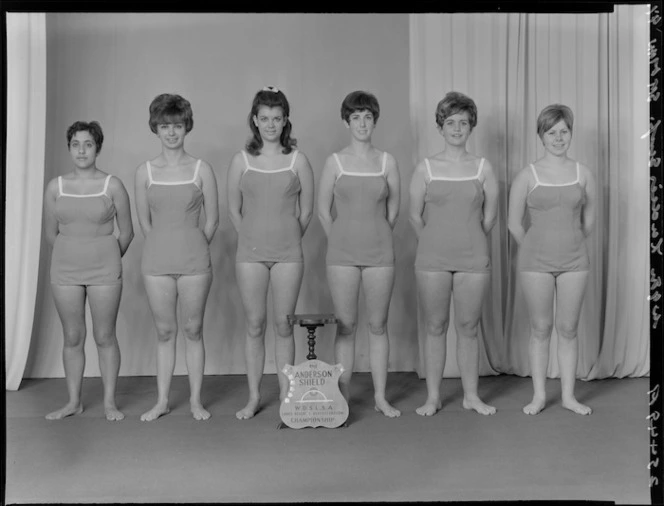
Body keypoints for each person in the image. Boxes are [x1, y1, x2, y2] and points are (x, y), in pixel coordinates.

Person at [409, 91, 499, 417]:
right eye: (450, 122)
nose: (457, 128)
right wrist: (435, 241)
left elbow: (490, 217)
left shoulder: (483, 167)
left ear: (471, 126)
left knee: (468, 327)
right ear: (440, 126)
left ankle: (471, 396)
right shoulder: (426, 167)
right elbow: (414, 216)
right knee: (435, 326)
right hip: (431, 259)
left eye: (463, 122)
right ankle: (432, 397)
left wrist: (468, 240)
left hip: (473, 258)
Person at [227, 86, 314, 420]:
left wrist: (286, 239)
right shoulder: (241, 160)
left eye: (277, 118)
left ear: (285, 120)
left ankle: (286, 396)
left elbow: (305, 213)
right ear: (254, 120)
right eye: (264, 118)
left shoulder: (298, 160)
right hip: (250, 254)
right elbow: (234, 211)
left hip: (288, 254)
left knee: (283, 325)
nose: (270, 124)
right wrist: (253, 238)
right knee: (254, 324)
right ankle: (252, 397)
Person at [134, 93, 219, 421]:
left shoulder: (202, 169)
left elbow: (212, 221)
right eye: (165, 125)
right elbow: (144, 223)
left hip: (195, 263)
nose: (171, 132)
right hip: (156, 263)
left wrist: (194, 246)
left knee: (194, 329)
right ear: (155, 127)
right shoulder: (144, 171)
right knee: (165, 332)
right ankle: (162, 401)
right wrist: (165, 245)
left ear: (187, 127)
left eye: (178, 125)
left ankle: (196, 400)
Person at [508, 103, 596, 416]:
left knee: (568, 328)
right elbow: (514, 223)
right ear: (541, 136)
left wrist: (567, 244)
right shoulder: (527, 175)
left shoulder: (582, 173)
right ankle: (539, 396)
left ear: (570, 133)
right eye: (551, 132)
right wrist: (534, 248)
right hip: (535, 264)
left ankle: (570, 397)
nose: (558, 138)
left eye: (564, 131)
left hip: (575, 261)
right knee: (541, 328)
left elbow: (588, 222)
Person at [317, 90, 401, 418]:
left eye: (368, 117)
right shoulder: (334, 162)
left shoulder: (387, 161)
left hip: (380, 253)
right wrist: (342, 240)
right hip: (341, 255)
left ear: (375, 121)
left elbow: (393, 211)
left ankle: (381, 397)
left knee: (378, 325)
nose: (362, 123)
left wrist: (375, 236)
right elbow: (324, 212)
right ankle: (343, 397)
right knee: (347, 326)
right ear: (346, 122)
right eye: (356, 117)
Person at [43, 120, 134, 421]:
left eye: (88, 144)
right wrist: (73, 256)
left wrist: (106, 257)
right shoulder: (55, 187)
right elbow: (50, 234)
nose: (82, 150)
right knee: (72, 336)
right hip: (65, 271)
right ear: (69, 148)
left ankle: (109, 402)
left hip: (105, 271)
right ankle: (73, 402)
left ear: (98, 148)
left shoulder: (113, 185)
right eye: (75, 145)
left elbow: (127, 233)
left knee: (105, 335)